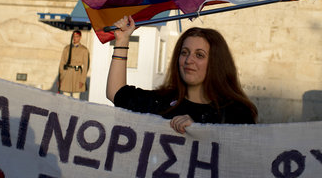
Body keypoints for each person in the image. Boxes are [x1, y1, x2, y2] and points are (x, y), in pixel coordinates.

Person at [106, 15, 257, 134]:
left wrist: (200, 130)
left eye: (199, 55)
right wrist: (122, 40)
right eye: (184, 53)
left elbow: (242, 162)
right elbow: (116, 93)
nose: (188, 60)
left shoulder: (236, 113)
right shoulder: (162, 102)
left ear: (216, 63)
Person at [58, 30, 90, 99]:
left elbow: (86, 66)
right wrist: (60, 78)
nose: (75, 38)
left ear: (80, 37)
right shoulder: (67, 48)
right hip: (67, 74)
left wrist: (82, 80)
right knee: (65, 96)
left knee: (76, 97)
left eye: (77, 36)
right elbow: (62, 63)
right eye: (74, 36)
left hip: (77, 74)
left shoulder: (84, 50)